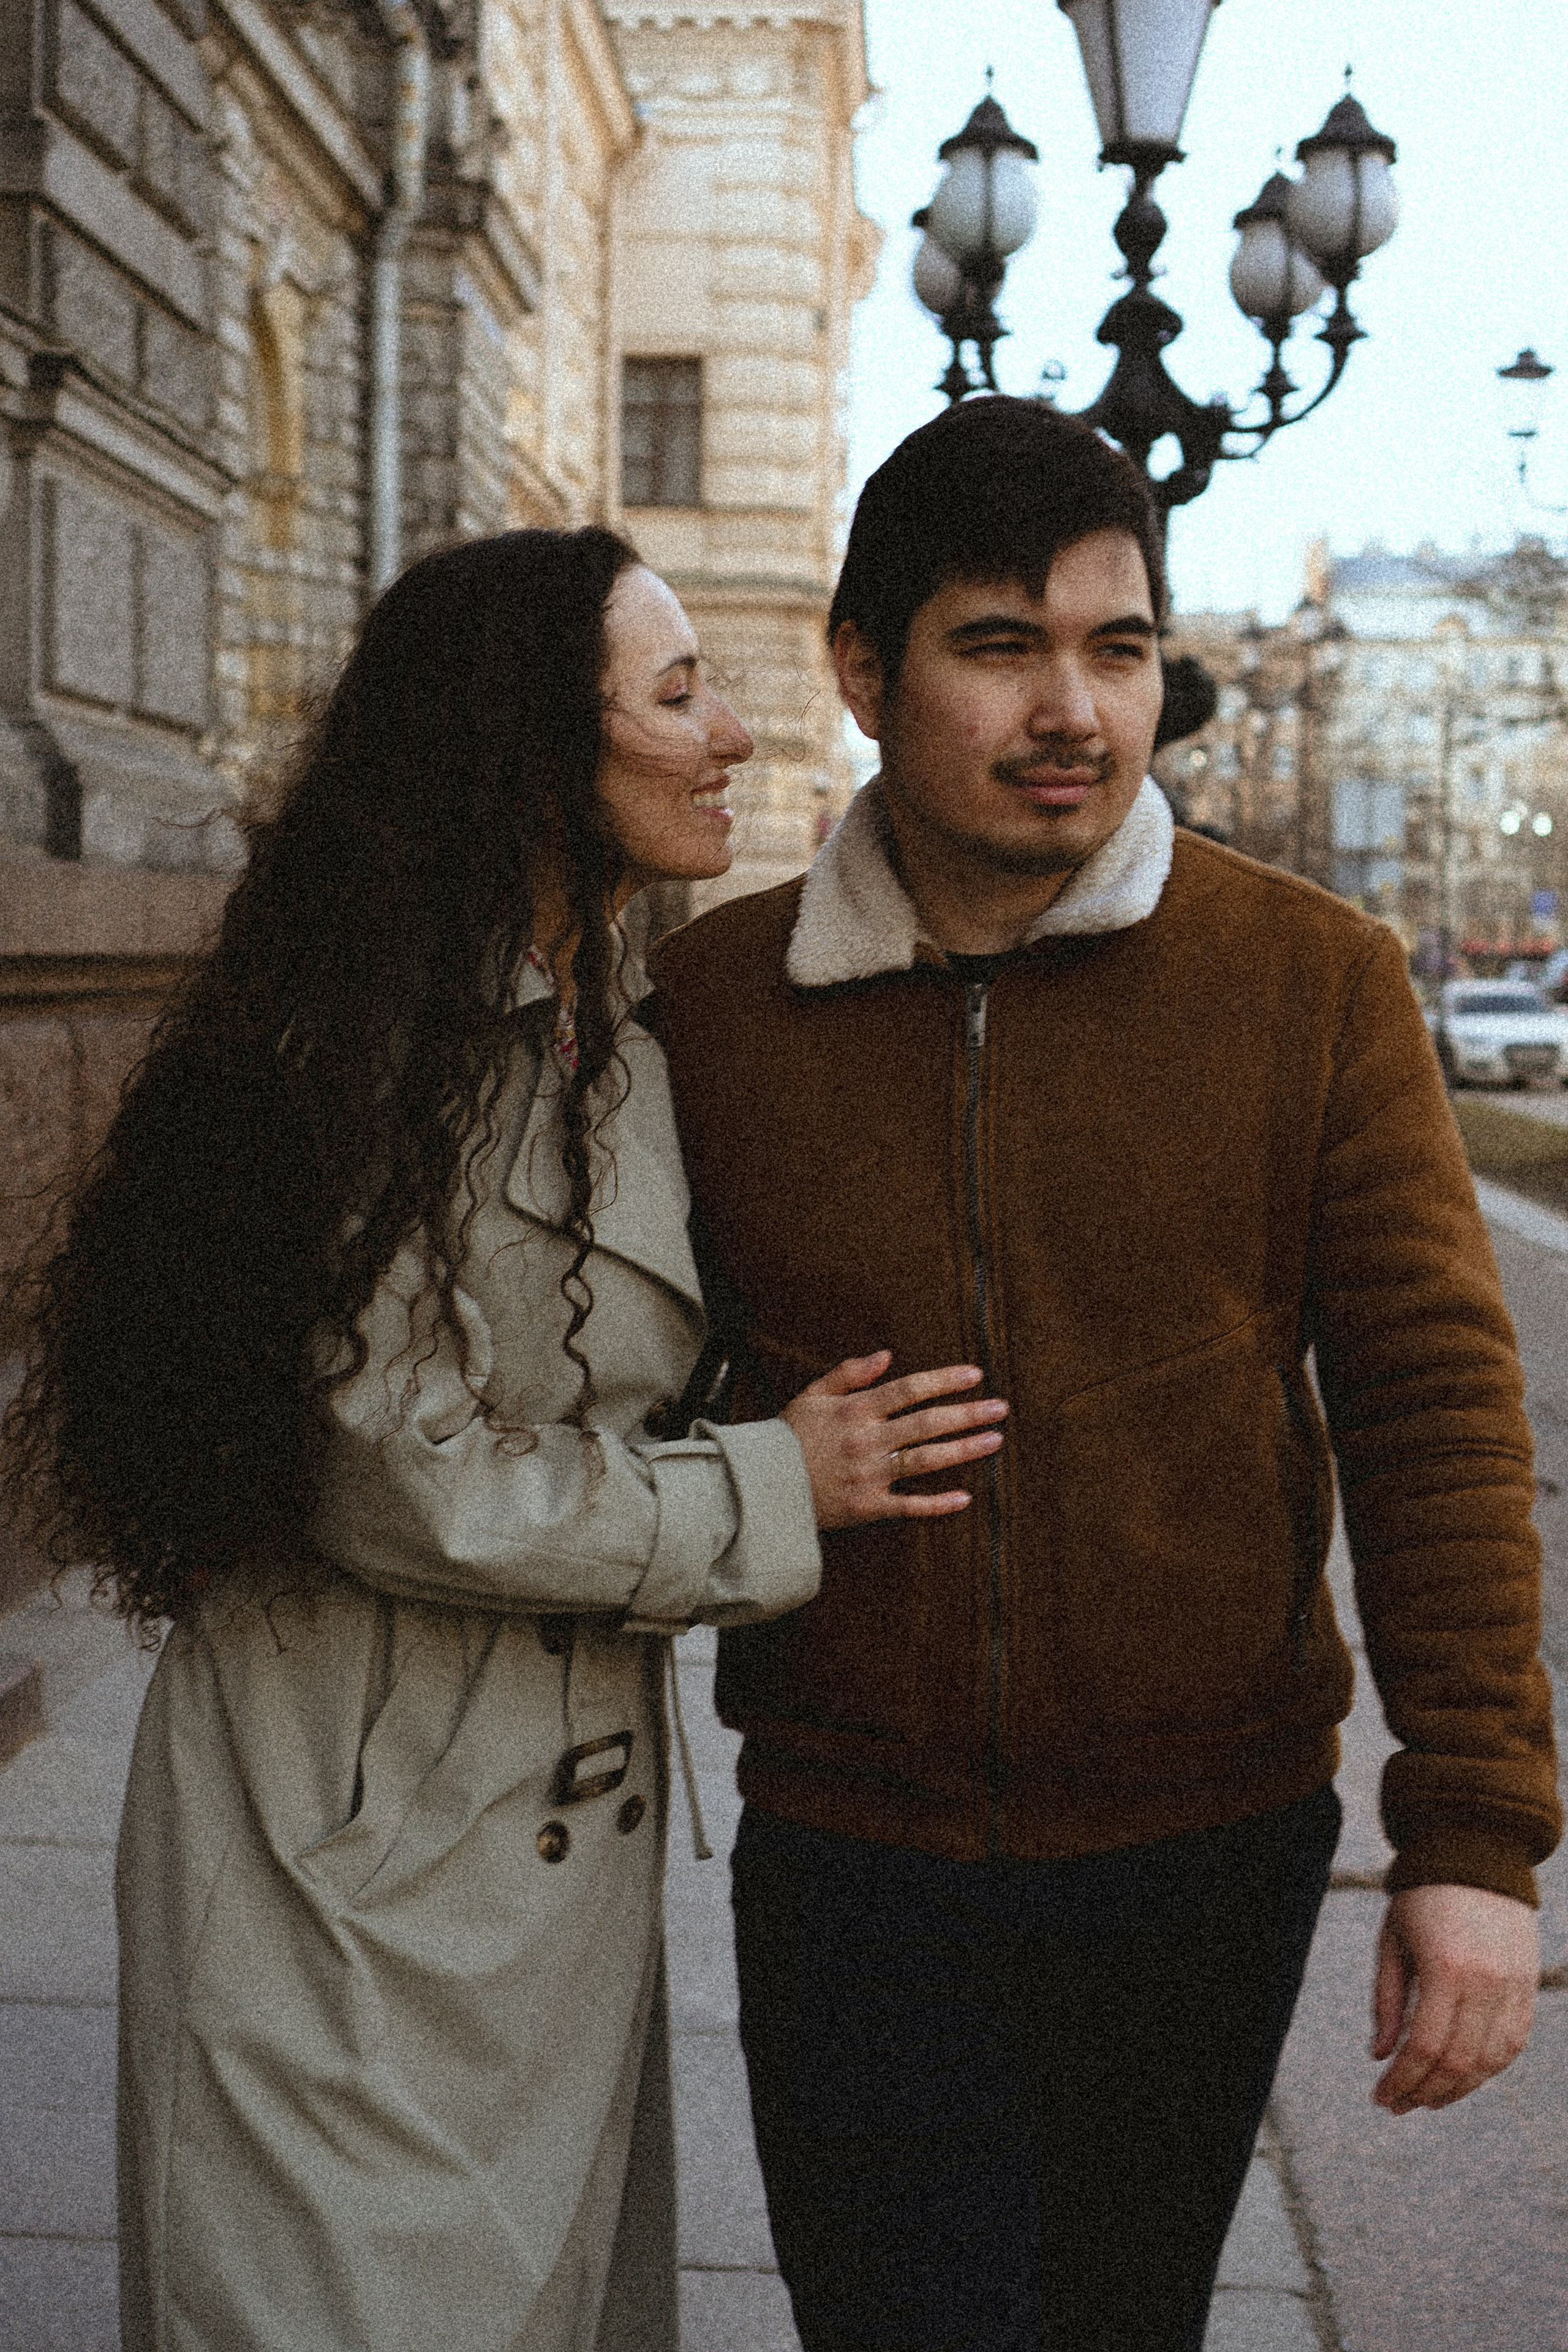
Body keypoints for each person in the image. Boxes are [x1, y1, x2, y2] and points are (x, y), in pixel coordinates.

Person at [1, 526, 1009, 2352]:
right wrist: (775, 1486)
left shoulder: (614, 1027)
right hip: (345, 1826)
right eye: (679, 694)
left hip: (545, 1825)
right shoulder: (366, 1041)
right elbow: (394, 1472)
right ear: (536, 744)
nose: (733, 736)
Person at [650, 399, 1564, 2352]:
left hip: (1204, 1849)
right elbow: (602, 1393)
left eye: (1120, 647)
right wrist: (750, 1474)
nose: (1074, 709)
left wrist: (1475, 1838)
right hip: (853, 1844)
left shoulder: (1310, 980)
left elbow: (1435, 1415)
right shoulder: (718, 1010)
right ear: (863, 674)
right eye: (1001, 646)